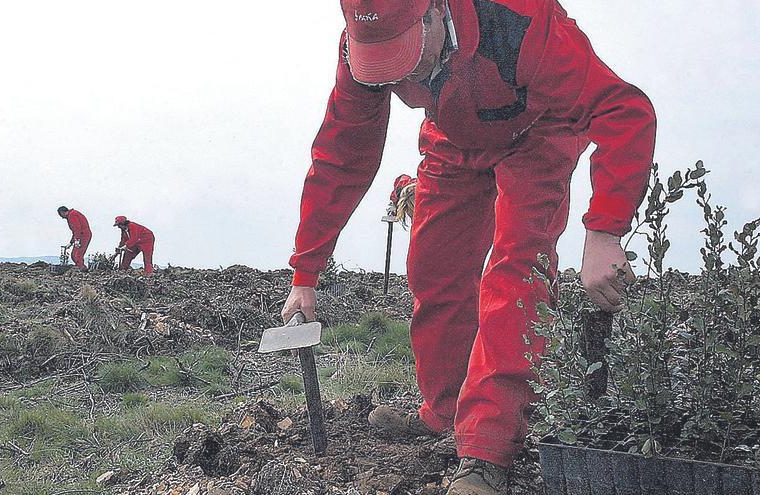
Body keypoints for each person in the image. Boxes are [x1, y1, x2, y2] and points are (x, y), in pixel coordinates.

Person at [280, 0, 656, 492]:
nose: (403, 72)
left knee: (515, 272)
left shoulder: (520, 21)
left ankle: (486, 450)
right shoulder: (361, 49)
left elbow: (623, 109)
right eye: (385, 61)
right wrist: (305, 274)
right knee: (433, 268)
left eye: (408, 52)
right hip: (452, 136)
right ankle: (446, 413)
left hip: (538, 132)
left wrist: (604, 229)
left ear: (436, 12)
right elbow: (342, 155)